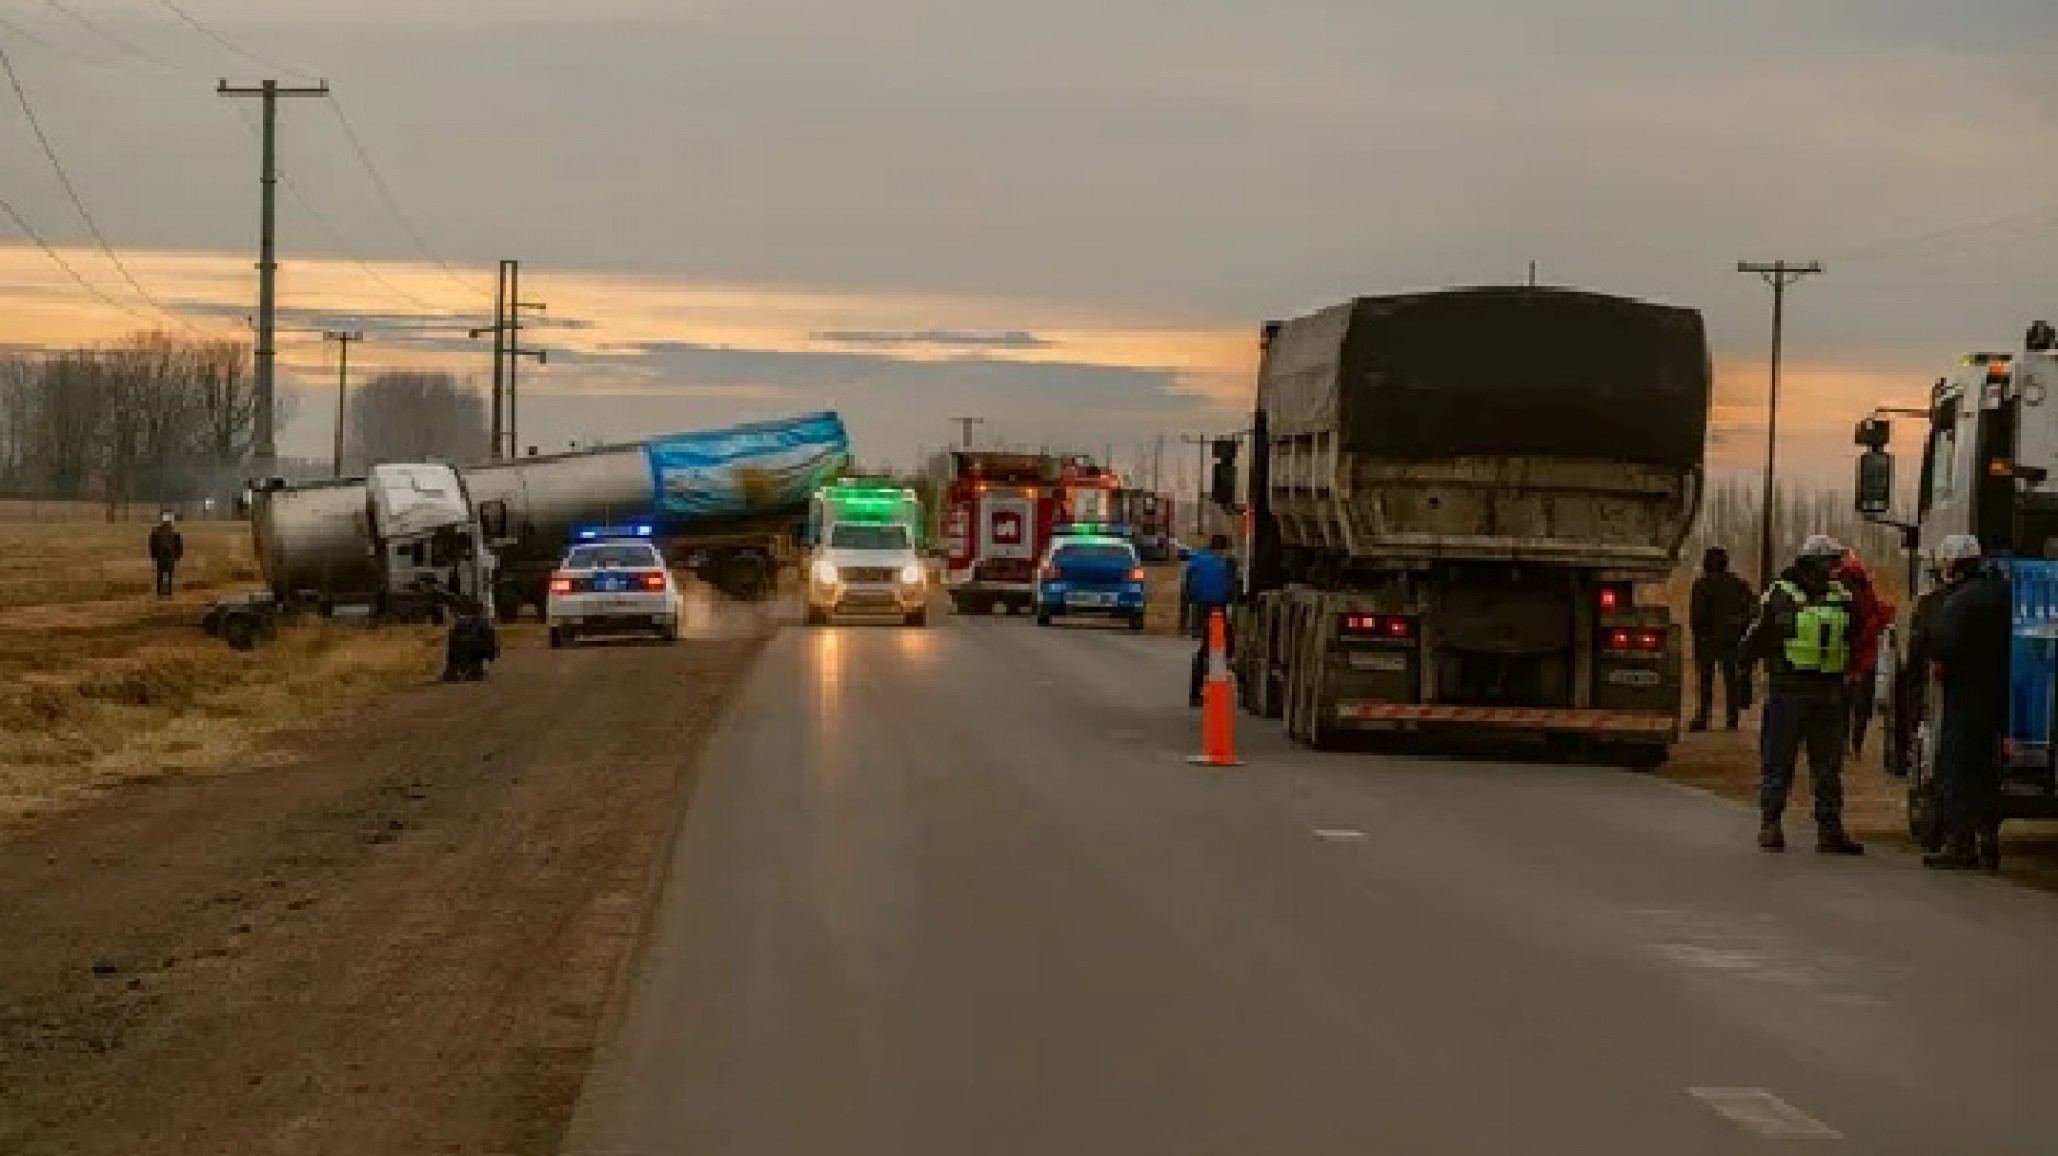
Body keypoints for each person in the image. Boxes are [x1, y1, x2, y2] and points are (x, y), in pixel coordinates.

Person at [1739, 534, 1865, 855]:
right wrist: (1744, 674)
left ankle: (1829, 829)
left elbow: (1857, 634)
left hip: (1829, 692)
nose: (1836, 568)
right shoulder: (1781, 594)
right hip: (1789, 690)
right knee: (1778, 760)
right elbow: (1755, 637)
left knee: (1829, 767)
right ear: (1813, 562)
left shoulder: (1843, 596)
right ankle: (1770, 824)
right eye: (1830, 562)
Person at [1923, 535, 2012, 873]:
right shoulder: (2003, 592)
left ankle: (1959, 845)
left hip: (1965, 693)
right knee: (1987, 772)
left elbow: (1942, 643)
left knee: (1957, 769)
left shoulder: (1959, 601)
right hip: (1999, 695)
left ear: (1955, 563)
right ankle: (1988, 842)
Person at [1688, 546, 1754, 731]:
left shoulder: (1702, 585)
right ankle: (1732, 719)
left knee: (1706, 681)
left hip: (1707, 640)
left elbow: (1697, 616)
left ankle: (1703, 717)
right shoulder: (1740, 585)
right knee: (1731, 681)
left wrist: (1699, 633)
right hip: (1732, 640)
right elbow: (1752, 610)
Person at [1834, 551, 1892, 758]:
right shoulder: (1867, 592)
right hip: (1865, 659)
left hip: (1840, 658)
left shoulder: (1834, 592)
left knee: (1841, 705)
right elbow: (1881, 616)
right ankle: (1856, 745)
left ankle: (1842, 744)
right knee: (1861, 707)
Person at [1181, 533, 1238, 707]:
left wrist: (1184, 619)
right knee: (1222, 646)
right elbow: (1231, 587)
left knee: (1204, 648)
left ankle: (1195, 692)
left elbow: (1188, 586)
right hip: (1218, 606)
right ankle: (1221, 679)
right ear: (1223, 548)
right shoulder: (1227, 563)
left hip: (1200, 607)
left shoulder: (1197, 559)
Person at [443, 597, 501, 682]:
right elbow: (490, 642)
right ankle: (471, 670)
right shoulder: (483, 622)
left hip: (470, 649)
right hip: (474, 649)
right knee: (464, 644)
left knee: (462, 643)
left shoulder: (464, 622)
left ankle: (457, 669)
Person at [148, 512, 183, 598]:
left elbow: (152, 545)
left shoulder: (157, 533)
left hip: (163, 556)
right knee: (168, 573)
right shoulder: (173, 533)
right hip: (167, 556)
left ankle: (161, 592)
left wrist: (153, 556)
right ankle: (167, 592)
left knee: (162, 574)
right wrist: (178, 556)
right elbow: (178, 546)